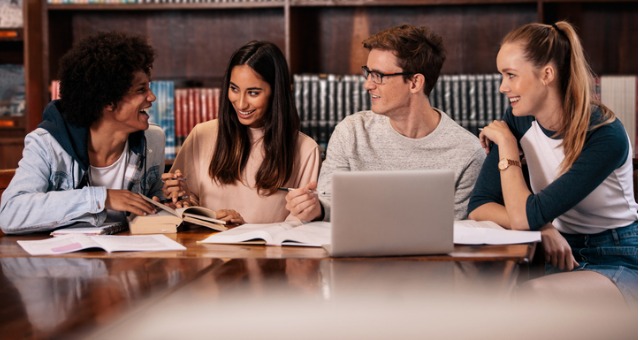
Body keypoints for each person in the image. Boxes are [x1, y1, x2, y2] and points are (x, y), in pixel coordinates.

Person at [467, 21, 637, 307]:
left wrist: (507, 145)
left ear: (546, 74)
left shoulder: (605, 135)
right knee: (489, 293)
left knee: (527, 298)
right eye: (501, 75)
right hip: (557, 250)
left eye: (510, 75)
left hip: (618, 257)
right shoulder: (518, 120)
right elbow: (480, 206)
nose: (502, 87)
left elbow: (522, 217)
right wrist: (543, 226)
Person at [285, 24, 486, 222]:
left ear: (415, 83)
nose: (367, 85)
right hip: (355, 252)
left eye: (378, 76)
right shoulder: (351, 132)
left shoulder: (468, 152)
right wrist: (314, 208)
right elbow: (328, 203)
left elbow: (457, 232)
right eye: (368, 72)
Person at [0, 31, 163, 234]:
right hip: (60, 262)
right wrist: (102, 198)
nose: (152, 97)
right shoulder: (46, 144)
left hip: (129, 259)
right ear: (107, 100)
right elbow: (10, 213)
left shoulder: (153, 140)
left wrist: (169, 202)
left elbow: (152, 202)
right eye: (141, 90)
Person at [162, 40, 320, 224]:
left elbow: (300, 225)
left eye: (253, 93)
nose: (241, 103)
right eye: (234, 89)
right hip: (206, 249)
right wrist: (181, 199)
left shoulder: (306, 149)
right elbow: (184, 209)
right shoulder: (201, 135)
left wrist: (243, 229)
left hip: (270, 251)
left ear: (276, 93)